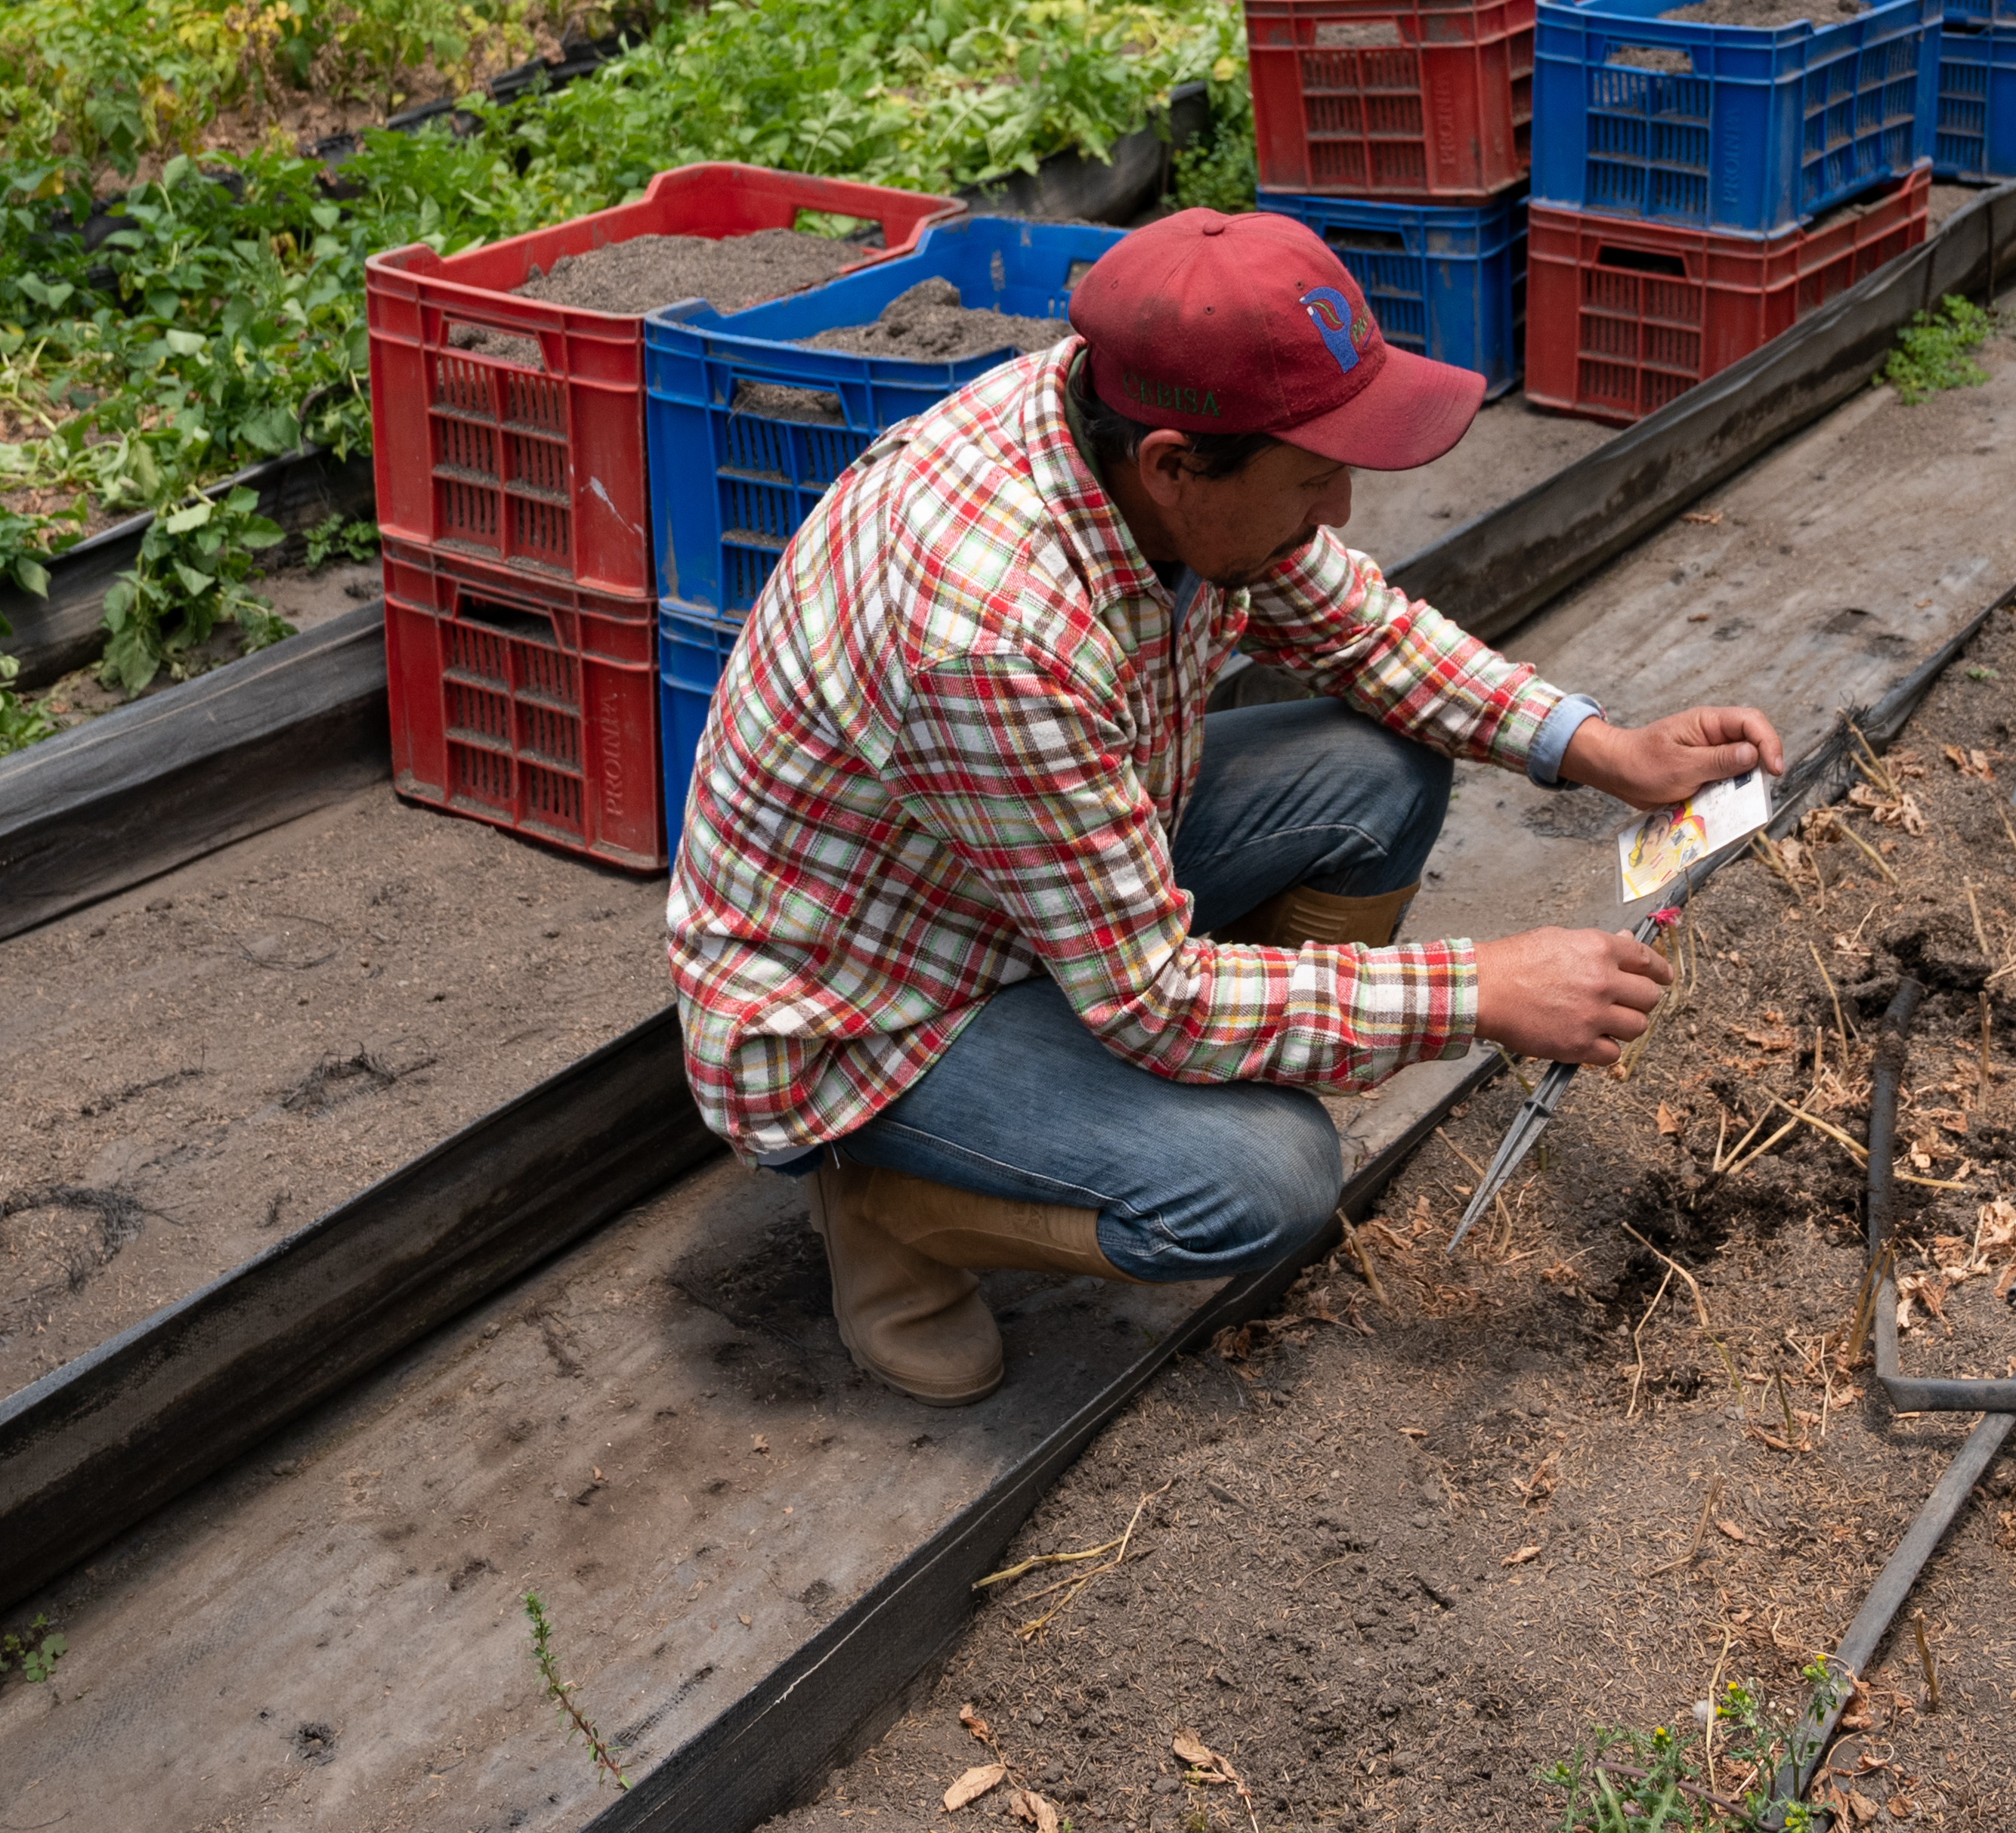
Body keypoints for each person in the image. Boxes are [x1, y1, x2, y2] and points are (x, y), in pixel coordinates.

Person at [666, 208, 1784, 1405]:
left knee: (1382, 769)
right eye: (1315, 477)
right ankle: (890, 1210)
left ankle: (1190, 1088)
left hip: (1043, 868)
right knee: (1262, 1185)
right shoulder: (990, 636)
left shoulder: (1128, 417)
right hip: (876, 997)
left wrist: (1600, 746)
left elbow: (1355, 621)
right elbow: (1150, 998)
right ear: (1171, 467)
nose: (1343, 507)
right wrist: (1482, 992)